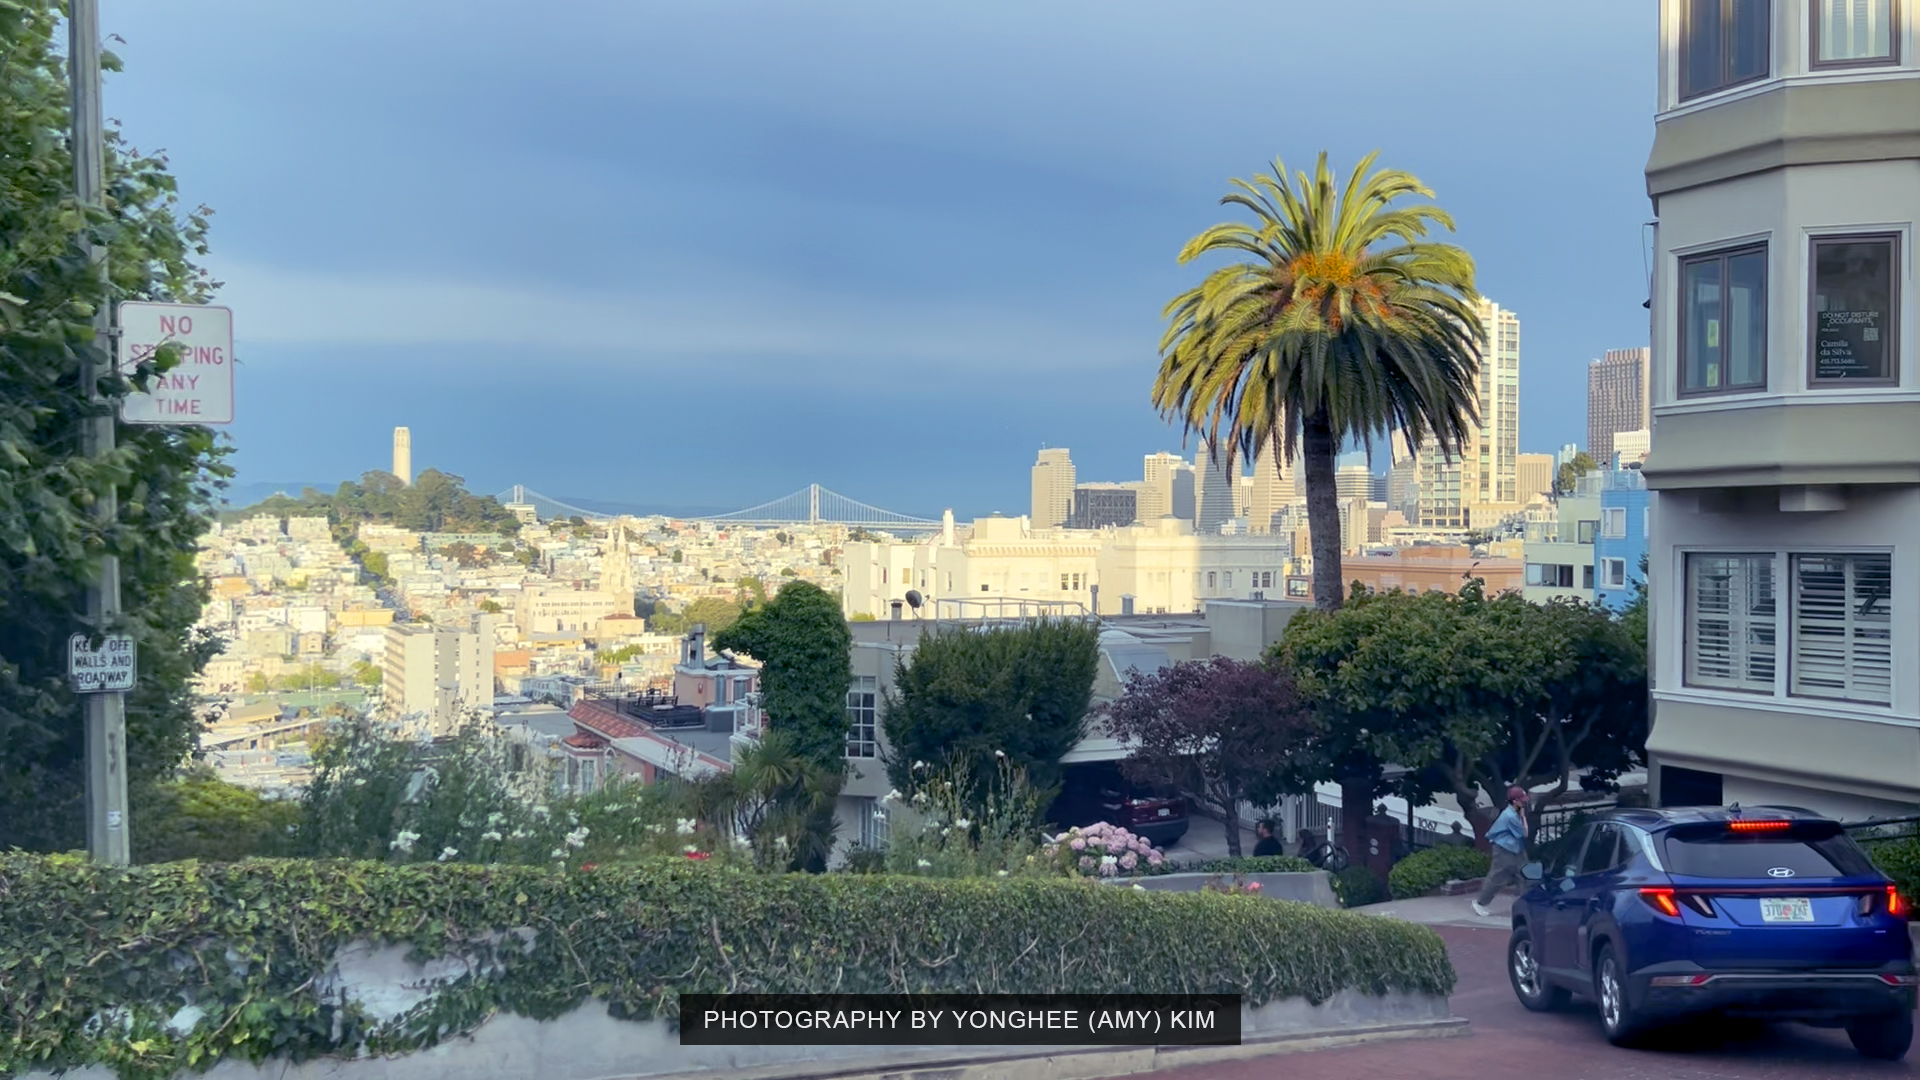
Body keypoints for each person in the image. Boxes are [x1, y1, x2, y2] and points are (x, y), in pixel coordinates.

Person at [1473, 786, 1531, 917]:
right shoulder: (1510, 816)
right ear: (1515, 801)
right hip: (1504, 849)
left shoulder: (1512, 813)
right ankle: (1480, 903)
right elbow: (1525, 832)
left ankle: (1526, 904)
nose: (1525, 802)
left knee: (1525, 874)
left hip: (1515, 848)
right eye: (1522, 800)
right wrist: (1523, 816)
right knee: (1497, 877)